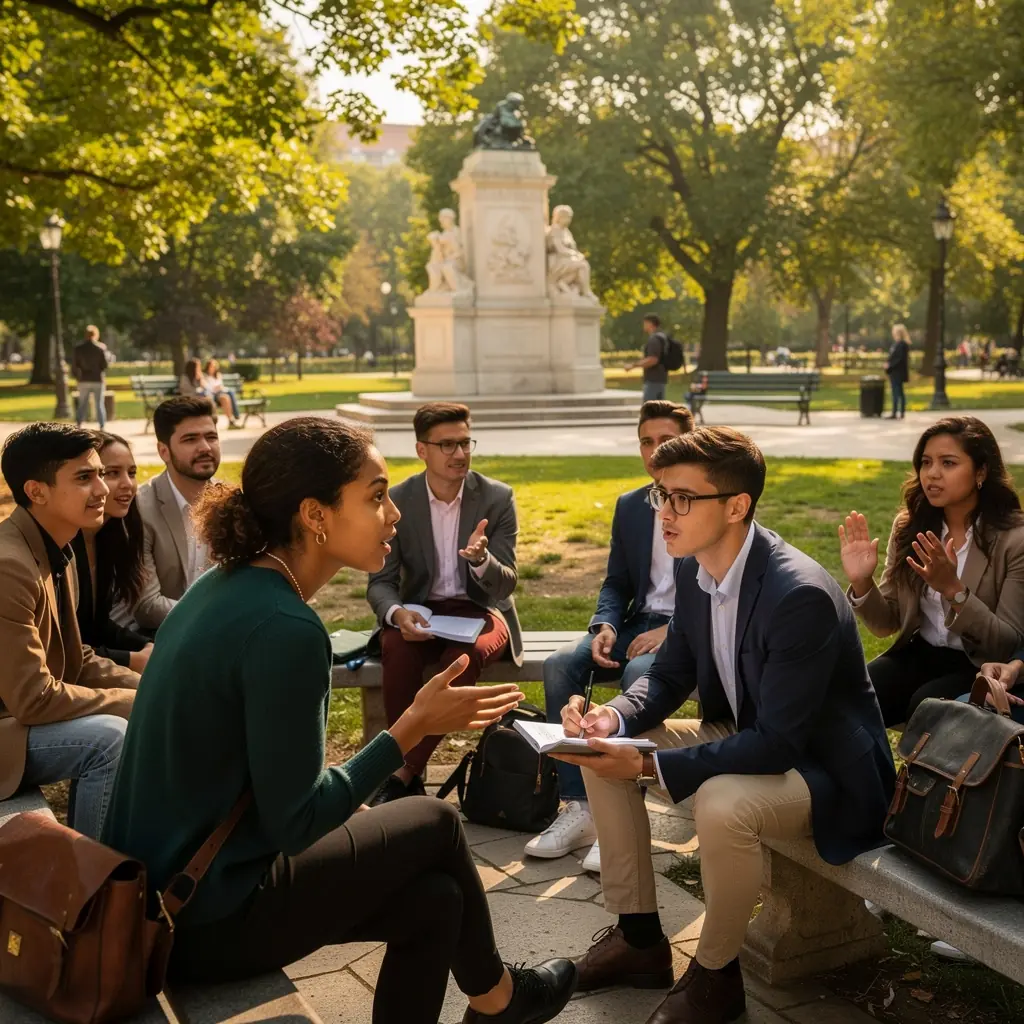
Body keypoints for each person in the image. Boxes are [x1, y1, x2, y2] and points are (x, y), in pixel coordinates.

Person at [101, 416, 577, 1024]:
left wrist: (366, 806)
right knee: (433, 819)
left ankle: (495, 1002)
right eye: (376, 498)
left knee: (437, 899)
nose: (394, 515)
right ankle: (503, 999)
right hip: (199, 916)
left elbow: (269, 774)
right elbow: (297, 822)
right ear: (315, 515)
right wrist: (410, 726)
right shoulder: (287, 630)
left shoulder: (224, 585)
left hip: (165, 896)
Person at [552, 426, 894, 1024]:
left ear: (737, 506)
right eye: (662, 494)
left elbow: (780, 743)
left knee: (721, 802)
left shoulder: (798, 593)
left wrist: (654, 763)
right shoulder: (694, 569)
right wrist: (614, 714)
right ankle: (638, 941)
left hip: (825, 768)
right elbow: (668, 676)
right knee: (599, 750)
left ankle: (715, 977)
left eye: (684, 497)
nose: (665, 512)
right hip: (754, 736)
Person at [525, 400, 694, 866]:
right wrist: (605, 625)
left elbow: (716, 587)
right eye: (646, 441)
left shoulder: (704, 500)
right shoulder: (631, 505)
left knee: (640, 671)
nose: (655, 449)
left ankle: (621, 814)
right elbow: (618, 582)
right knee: (562, 664)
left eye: (666, 440)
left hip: (689, 627)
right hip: (638, 621)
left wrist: (670, 630)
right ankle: (582, 807)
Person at [366, 402, 521, 805]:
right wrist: (397, 612)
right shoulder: (397, 501)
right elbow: (380, 583)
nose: (460, 454)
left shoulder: (496, 498)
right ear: (422, 450)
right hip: (422, 610)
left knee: (463, 658)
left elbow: (504, 587)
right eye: (447, 445)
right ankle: (407, 771)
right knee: (395, 648)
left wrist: (482, 560)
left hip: (481, 611)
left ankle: (402, 771)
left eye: (465, 442)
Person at [0, 423, 139, 839]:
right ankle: (91, 890)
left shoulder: (58, 545)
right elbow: (34, 699)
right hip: (9, 723)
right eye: (84, 478)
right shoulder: (9, 565)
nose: (103, 489)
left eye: (101, 473)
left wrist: (159, 685)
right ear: (36, 491)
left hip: (13, 720)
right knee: (110, 739)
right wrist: (136, 701)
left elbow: (76, 661)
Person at [840, 416, 1024, 727]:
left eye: (948, 463)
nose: (932, 474)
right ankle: (872, 775)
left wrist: (953, 590)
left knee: (925, 706)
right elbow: (887, 623)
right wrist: (862, 583)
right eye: (926, 463)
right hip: (920, 652)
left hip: (979, 664)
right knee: (851, 698)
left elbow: (1005, 644)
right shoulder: (910, 527)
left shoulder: (1014, 538)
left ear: (981, 471)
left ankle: (918, 776)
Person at [134, 396, 221, 629]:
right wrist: (215, 619)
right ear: (164, 451)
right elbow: (148, 607)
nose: (205, 447)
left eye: (211, 437)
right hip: (162, 638)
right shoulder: (140, 510)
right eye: (190, 439)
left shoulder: (232, 502)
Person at [72, 432, 153, 673]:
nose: (128, 484)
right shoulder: (64, 544)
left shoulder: (109, 538)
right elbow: (62, 645)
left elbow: (96, 625)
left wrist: (147, 645)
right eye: (112, 473)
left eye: (132, 472)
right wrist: (130, 660)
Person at [180, 357, 240, 428]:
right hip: (194, 397)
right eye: (198, 367)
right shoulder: (185, 378)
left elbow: (205, 388)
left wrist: (201, 379)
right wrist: (198, 389)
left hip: (209, 396)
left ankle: (230, 421)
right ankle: (211, 423)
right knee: (209, 399)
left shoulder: (200, 376)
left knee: (225, 397)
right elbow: (186, 390)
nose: (199, 369)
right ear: (192, 367)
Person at [71, 325, 110, 429]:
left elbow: (74, 365)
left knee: (82, 403)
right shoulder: (101, 348)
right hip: (97, 379)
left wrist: (77, 377)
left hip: (84, 379)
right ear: (96, 335)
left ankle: (79, 423)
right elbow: (105, 365)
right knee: (99, 404)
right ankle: (102, 425)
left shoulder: (78, 349)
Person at [626, 315, 670, 402]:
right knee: (658, 411)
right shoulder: (662, 337)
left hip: (653, 380)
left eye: (645, 323)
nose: (643, 325)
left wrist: (633, 366)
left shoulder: (654, 339)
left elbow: (653, 360)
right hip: (661, 379)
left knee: (649, 410)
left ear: (650, 324)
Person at [885, 324, 911, 420]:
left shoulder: (902, 344)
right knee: (898, 392)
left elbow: (899, 359)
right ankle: (898, 412)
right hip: (894, 372)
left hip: (898, 372)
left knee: (897, 392)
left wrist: (890, 365)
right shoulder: (897, 344)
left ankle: (897, 412)